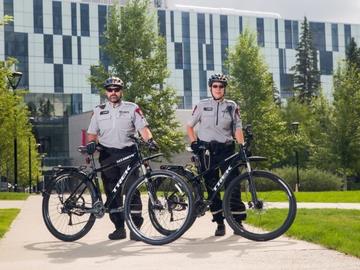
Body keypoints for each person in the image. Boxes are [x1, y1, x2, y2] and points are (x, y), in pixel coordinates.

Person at [87, 76, 158, 240]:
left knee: (132, 190)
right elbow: (92, 133)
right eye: (110, 90)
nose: (113, 92)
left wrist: (150, 141)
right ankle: (119, 228)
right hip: (107, 154)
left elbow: (143, 128)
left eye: (116, 90)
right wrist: (90, 145)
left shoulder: (132, 108)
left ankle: (135, 229)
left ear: (121, 92)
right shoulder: (98, 110)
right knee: (112, 192)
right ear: (106, 92)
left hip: (128, 153)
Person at [186, 73, 246, 236]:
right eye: (215, 86)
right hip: (206, 152)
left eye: (221, 86)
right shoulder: (202, 105)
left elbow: (238, 128)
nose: (218, 89)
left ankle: (237, 223)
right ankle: (219, 223)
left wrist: (242, 146)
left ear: (224, 89)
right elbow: (189, 126)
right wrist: (194, 143)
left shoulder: (232, 106)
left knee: (233, 185)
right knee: (212, 186)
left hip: (226, 150)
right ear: (210, 88)